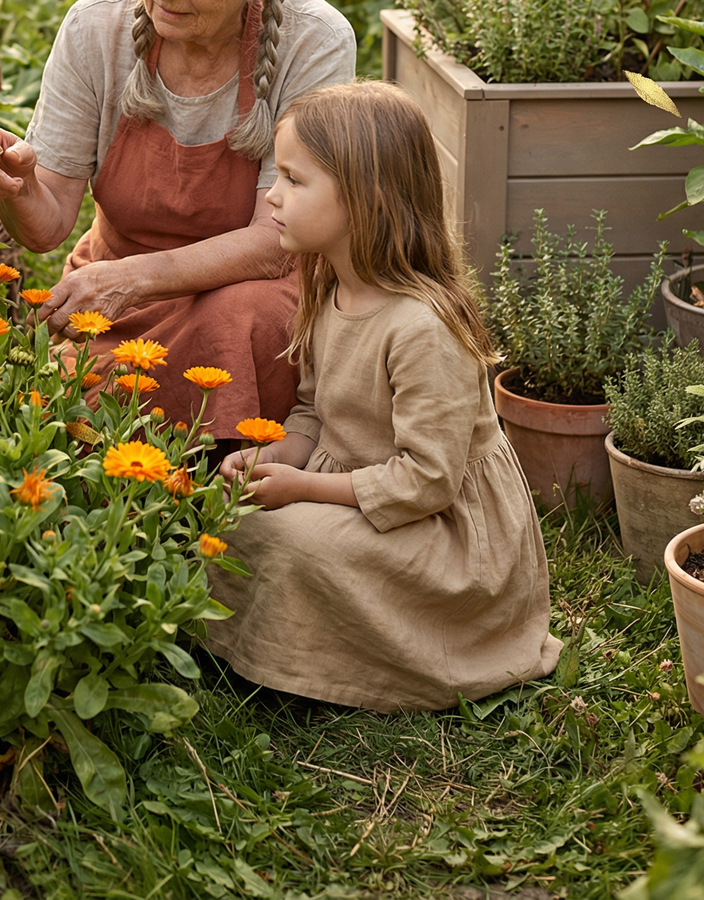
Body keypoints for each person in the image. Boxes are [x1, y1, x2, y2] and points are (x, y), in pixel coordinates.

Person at [0, 0, 356, 433]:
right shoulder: (97, 27)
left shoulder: (314, 40)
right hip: (113, 295)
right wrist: (18, 191)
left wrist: (135, 280)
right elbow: (45, 230)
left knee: (242, 319)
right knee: (73, 417)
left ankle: (219, 478)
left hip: (252, 287)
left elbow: (278, 240)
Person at [208, 80, 562, 711]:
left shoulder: (422, 328)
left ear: (364, 197)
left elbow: (429, 481)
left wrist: (304, 490)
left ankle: (359, 664)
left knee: (296, 542)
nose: (272, 195)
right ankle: (282, 653)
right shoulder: (328, 288)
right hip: (358, 489)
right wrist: (281, 457)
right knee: (231, 520)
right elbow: (314, 408)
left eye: (294, 179)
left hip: (438, 533)